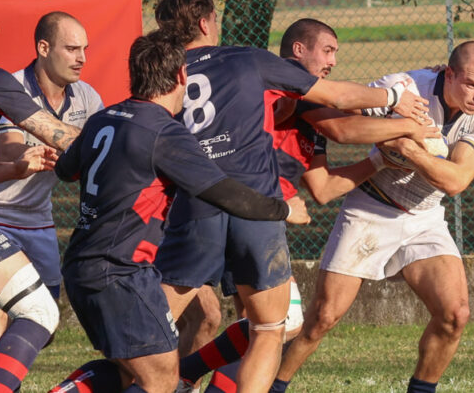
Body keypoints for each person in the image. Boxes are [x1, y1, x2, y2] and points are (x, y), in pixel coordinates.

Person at [150, 0, 428, 393]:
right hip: (254, 208)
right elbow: (341, 117)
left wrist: (375, 160)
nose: (333, 59)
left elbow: (322, 185)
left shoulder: (161, 75)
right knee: (271, 326)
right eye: (328, 50)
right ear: (208, 22)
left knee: (152, 326)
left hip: (193, 206)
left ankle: (164, 375)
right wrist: (397, 107)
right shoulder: (253, 65)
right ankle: (186, 373)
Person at [48, 30, 310, 393]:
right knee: (160, 380)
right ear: (180, 77)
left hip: (82, 265)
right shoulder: (164, 132)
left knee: (140, 371)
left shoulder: (103, 118)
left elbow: (65, 170)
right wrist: (282, 209)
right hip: (121, 272)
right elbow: (224, 192)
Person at [253, 40, 474, 393]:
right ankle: (275, 386)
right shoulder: (405, 87)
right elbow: (346, 126)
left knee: (455, 314)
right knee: (322, 319)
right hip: (371, 206)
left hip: (424, 216)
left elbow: (456, 181)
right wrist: (395, 126)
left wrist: (406, 144)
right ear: (448, 75)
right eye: (472, 85)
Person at [0, 0, 92, 391]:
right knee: (30, 315)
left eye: (85, 49)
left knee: (37, 320)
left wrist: (15, 166)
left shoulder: (87, 95)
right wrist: (127, 146)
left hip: (37, 222)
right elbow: (45, 137)